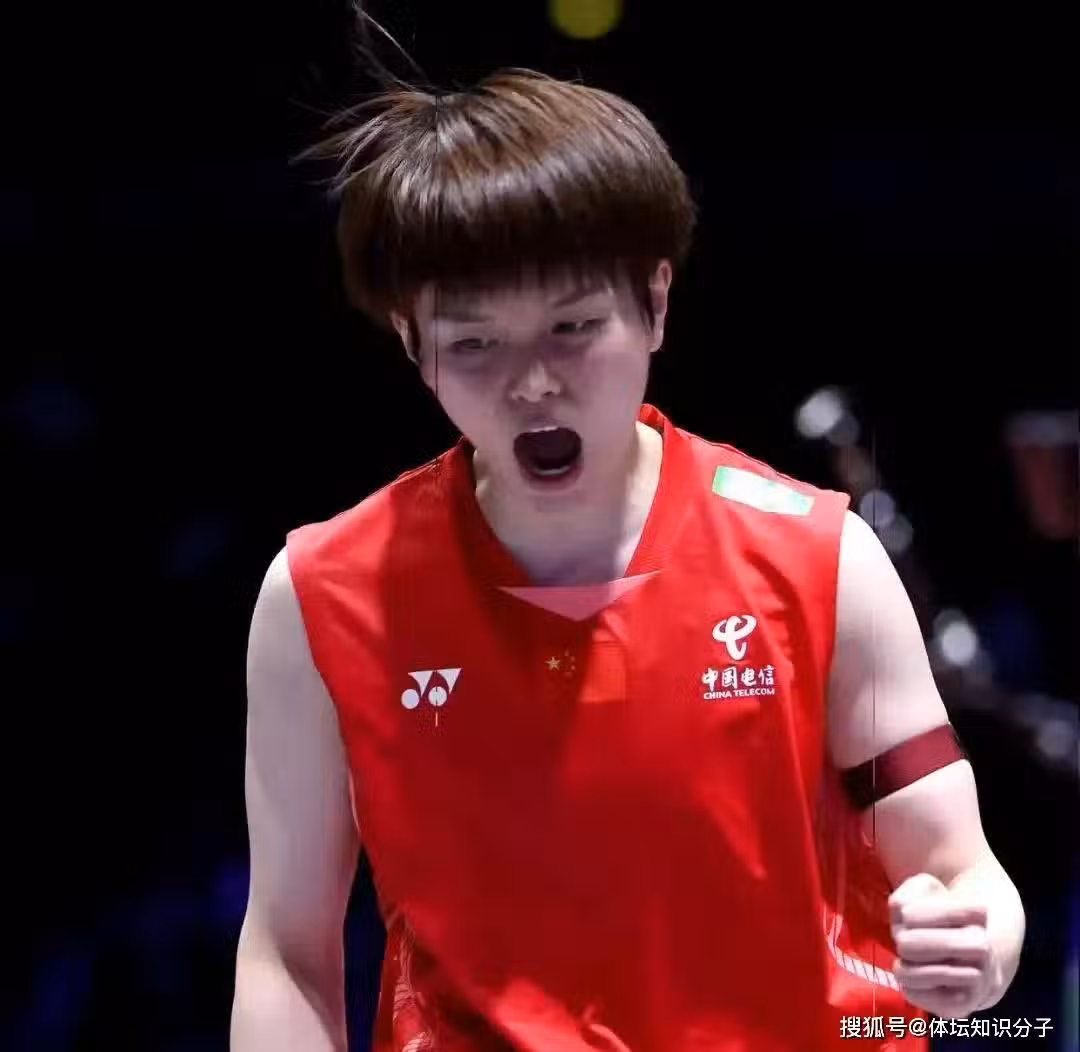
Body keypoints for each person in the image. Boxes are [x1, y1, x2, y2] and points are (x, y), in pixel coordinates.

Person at [230, 69, 1025, 1051]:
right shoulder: (322, 596)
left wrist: (973, 942)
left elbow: (958, 868)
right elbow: (286, 947)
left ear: (654, 302)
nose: (533, 382)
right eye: (474, 344)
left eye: (573, 328)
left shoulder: (819, 558)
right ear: (411, 341)